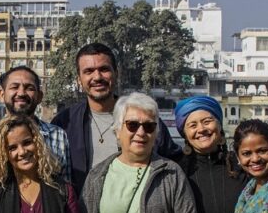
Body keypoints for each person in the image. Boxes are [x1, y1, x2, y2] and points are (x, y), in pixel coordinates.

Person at [52, 43, 182, 196]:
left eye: (104, 69)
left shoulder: (144, 120)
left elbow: (175, 163)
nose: (97, 77)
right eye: (89, 71)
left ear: (117, 73)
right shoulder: (65, 123)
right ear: (79, 79)